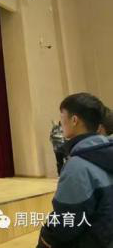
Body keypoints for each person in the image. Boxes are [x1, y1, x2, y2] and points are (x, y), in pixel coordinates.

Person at [38, 93, 113, 248]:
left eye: (62, 116)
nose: (61, 122)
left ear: (74, 120)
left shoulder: (78, 166)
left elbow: (66, 224)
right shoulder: (106, 152)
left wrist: (45, 239)